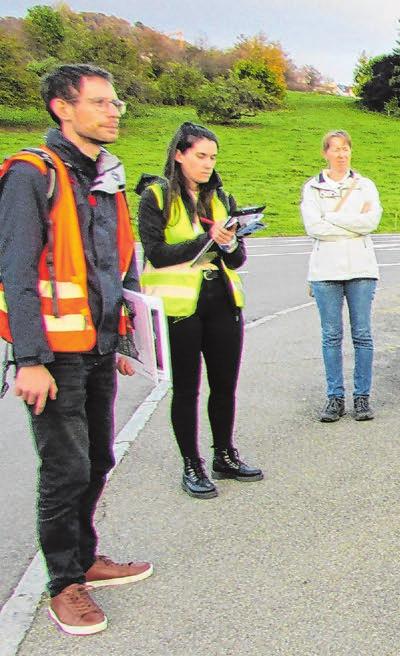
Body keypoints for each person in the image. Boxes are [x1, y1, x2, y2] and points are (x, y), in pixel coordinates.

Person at [0, 63, 152, 636]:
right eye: (101, 102)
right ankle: (64, 584)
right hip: (53, 356)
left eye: (116, 103)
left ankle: (84, 556)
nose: (114, 111)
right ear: (63, 108)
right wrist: (30, 358)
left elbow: (108, 268)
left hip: (95, 348)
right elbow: (15, 271)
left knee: (97, 460)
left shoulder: (104, 177)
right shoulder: (30, 174)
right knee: (64, 470)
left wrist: (117, 339)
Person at [138, 122, 262, 499]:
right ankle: (191, 464)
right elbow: (156, 253)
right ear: (179, 154)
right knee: (187, 389)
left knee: (225, 385)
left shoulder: (221, 197)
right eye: (200, 156)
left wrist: (229, 242)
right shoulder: (156, 197)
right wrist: (205, 239)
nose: (207, 164)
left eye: (212, 157)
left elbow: (238, 258)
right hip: (180, 309)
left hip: (223, 302)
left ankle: (224, 454)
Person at [300, 130, 382, 422]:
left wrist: (331, 217)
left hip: (361, 268)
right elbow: (314, 227)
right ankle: (335, 396)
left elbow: (371, 221)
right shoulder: (312, 188)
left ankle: (362, 397)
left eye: (345, 148)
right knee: (331, 336)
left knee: (362, 335)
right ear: (325, 153)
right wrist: (352, 222)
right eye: (335, 149)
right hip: (325, 270)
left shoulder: (364, 185)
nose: (341, 154)